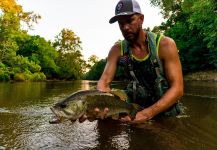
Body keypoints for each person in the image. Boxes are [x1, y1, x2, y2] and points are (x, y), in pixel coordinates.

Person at [80, 0, 184, 123]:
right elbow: (103, 83)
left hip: (163, 104)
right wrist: (97, 106)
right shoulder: (117, 50)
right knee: (103, 120)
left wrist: (147, 114)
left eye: (130, 21)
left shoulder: (165, 44)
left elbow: (178, 89)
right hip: (136, 101)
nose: (125, 27)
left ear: (141, 19)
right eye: (121, 23)